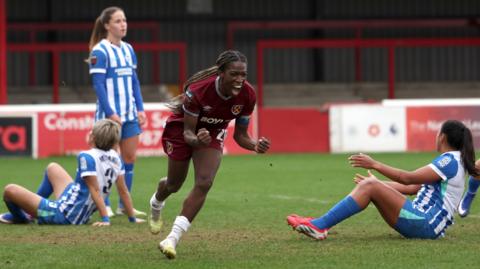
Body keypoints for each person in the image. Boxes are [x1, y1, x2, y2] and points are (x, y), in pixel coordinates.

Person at [148, 50, 271, 259]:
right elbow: (188, 132)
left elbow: (241, 135)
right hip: (182, 131)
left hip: (212, 134)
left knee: (205, 182)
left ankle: (172, 239)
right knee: (174, 185)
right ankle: (156, 202)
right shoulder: (198, 91)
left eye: (244, 75)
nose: (240, 80)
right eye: (234, 74)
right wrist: (197, 140)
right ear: (221, 73)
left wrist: (254, 145)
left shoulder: (248, 95)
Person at [287, 119, 478, 240]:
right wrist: (377, 185)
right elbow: (413, 188)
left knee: (370, 185)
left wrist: (375, 165)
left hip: (426, 224)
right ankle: (320, 223)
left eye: (437, 134)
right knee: (370, 185)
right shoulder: (454, 161)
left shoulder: (449, 160)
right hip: (426, 224)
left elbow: (406, 178)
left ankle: (320, 226)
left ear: (442, 137)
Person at [0, 119, 144, 226]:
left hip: (64, 215)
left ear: (93, 137)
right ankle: (30, 213)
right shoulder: (116, 158)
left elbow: (94, 189)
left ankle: (22, 218)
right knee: (53, 168)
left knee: (9, 190)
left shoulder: (86, 156)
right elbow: (123, 191)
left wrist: (105, 219)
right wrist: (132, 218)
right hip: (77, 206)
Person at [87, 6, 147, 217]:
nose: (123, 24)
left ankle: (125, 205)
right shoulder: (100, 51)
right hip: (108, 117)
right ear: (106, 25)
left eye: (124, 20)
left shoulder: (128, 49)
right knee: (107, 161)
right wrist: (111, 112)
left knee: (129, 159)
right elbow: (98, 85)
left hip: (129, 114)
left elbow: (134, 82)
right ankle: (105, 204)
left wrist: (140, 109)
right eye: (118, 21)